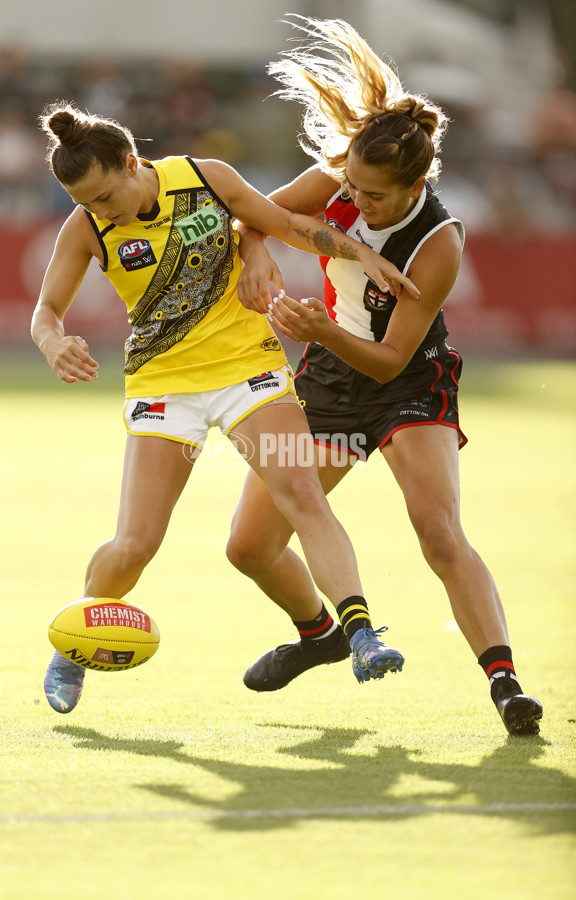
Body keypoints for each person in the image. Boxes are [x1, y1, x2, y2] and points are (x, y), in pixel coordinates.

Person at [32, 100, 418, 714]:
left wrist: (358, 253)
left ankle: (361, 633)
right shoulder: (86, 228)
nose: (101, 211)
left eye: (105, 196)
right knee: (134, 545)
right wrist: (53, 342)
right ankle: (74, 646)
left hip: (248, 369)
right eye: (87, 203)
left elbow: (283, 223)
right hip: (164, 385)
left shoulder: (204, 177)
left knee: (302, 495)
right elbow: (46, 310)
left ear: (132, 163)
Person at [226, 16, 543, 736]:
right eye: (353, 188)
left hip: (408, 385)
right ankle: (322, 634)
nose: (355, 203)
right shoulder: (339, 178)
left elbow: (391, 358)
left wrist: (318, 329)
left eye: (373, 197)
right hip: (328, 383)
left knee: (438, 533)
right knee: (248, 547)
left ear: (415, 185)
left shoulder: (437, 243)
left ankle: (505, 684)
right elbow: (253, 215)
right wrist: (258, 252)